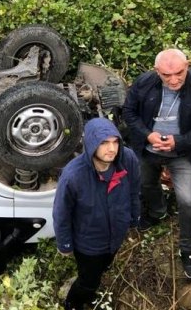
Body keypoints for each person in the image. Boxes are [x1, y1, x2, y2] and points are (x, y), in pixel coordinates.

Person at [123, 48, 191, 278]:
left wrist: (179, 142)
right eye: (167, 75)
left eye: (179, 72)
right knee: (146, 185)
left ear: (187, 65)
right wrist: (148, 135)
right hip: (148, 150)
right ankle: (158, 211)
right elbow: (129, 112)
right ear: (157, 71)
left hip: (182, 154)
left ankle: (188, 248)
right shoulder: (145, 82)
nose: (174, 79)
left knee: (188, 201)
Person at [53, 118, 140, 310]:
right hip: (88, 243)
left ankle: (89, 289)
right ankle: (73, 303)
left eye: (115, 142)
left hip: (116, 235)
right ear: (91, 143)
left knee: (103, 268)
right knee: (88, 280)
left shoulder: (128, 159)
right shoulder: (74, 175)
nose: (111, 148)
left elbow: (134, 190)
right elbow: (62, 213)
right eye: (104, 143)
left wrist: (134, 217)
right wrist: (65, 244)